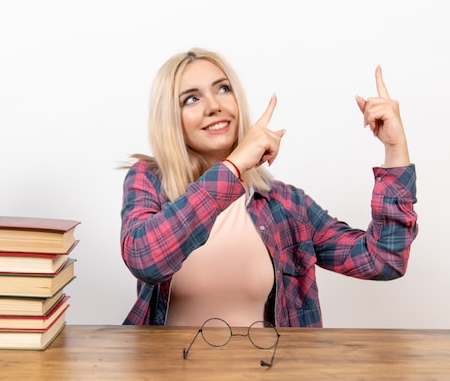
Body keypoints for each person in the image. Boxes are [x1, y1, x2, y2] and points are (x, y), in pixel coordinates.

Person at [119, 47, 418, 327]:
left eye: (223, 89)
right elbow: (145, 259)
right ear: (171, 118)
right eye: (191, 99)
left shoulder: (286, 204)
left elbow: (383, 259)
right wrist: (233, 167)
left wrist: (395, 149)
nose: (214, 106)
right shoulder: (148, 181)